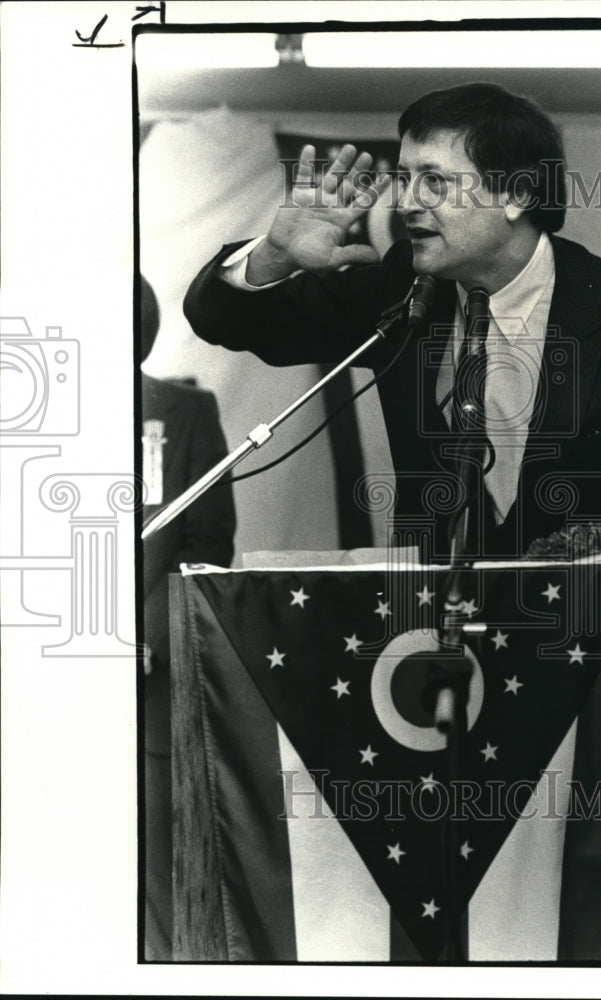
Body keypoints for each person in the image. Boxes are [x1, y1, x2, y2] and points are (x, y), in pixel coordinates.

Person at [183, 82, 601, 627]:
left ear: (518, 194)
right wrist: (274, 257)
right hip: (422, 655)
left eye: (433, 180)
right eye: (404, 178)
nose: (405, 202)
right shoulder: (399, 290)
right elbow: (222, 317)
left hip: (594, 657)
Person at [141, 275, 236, 959]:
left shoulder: (183, 414)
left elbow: (205, 554)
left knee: (157, 861)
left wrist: (135, 636)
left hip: (150, 690)